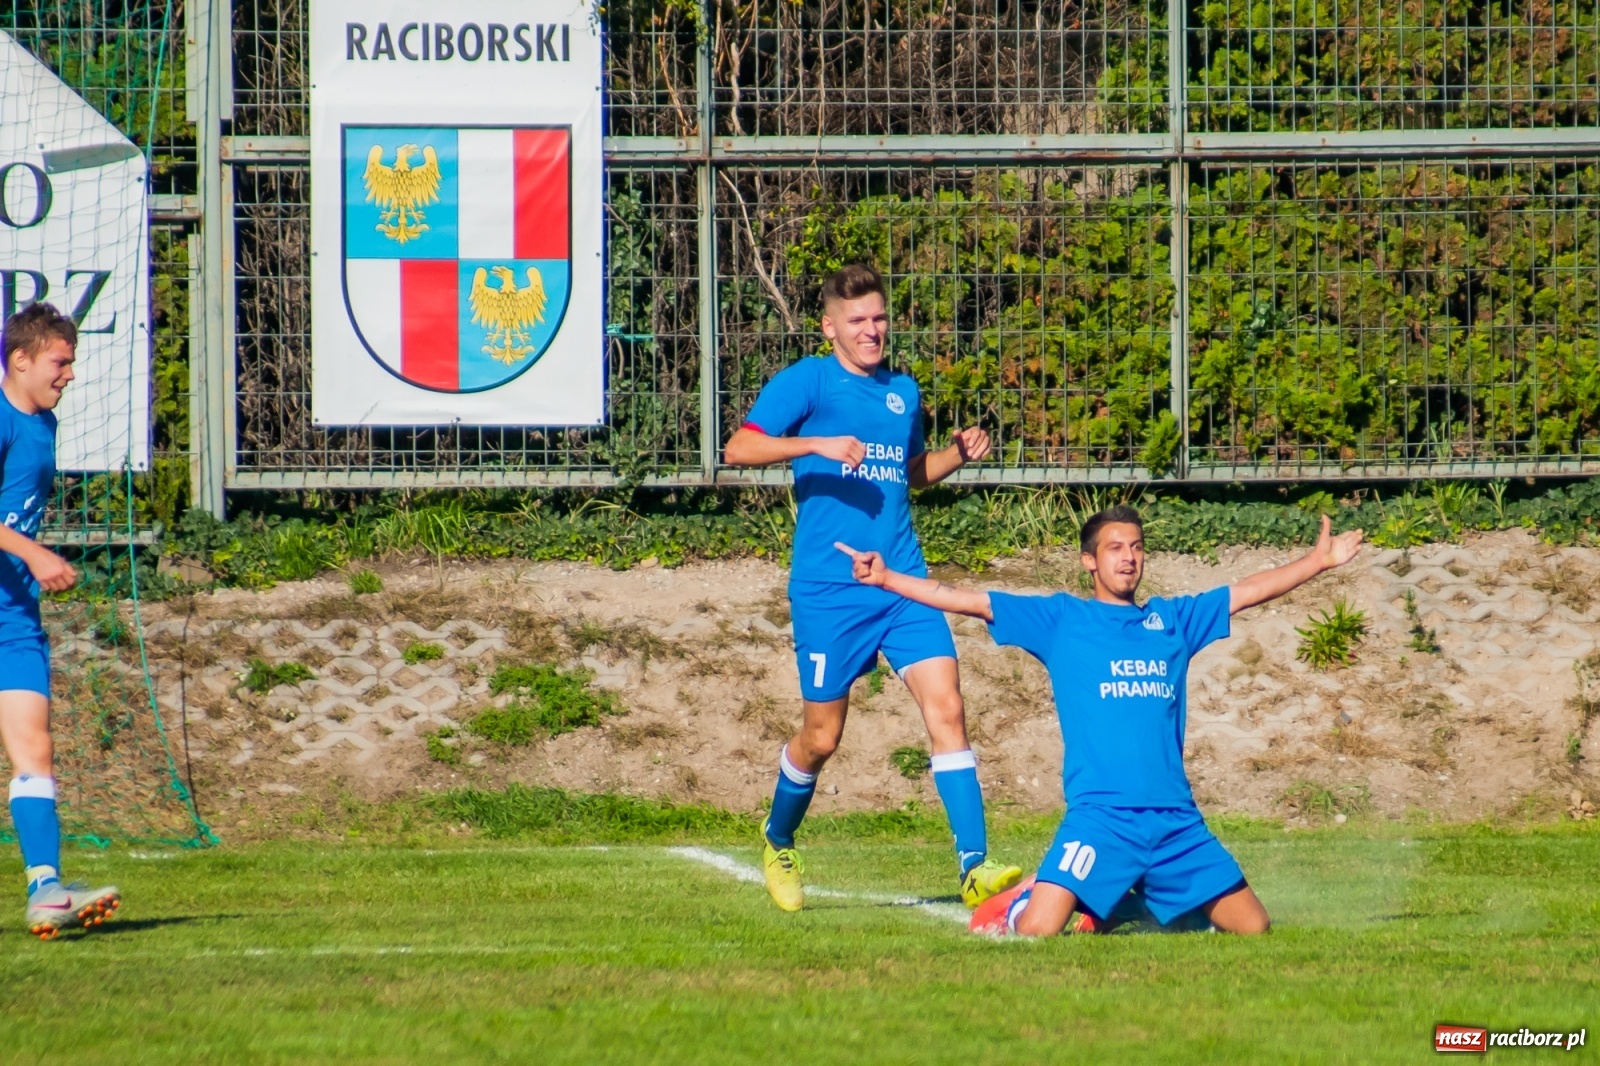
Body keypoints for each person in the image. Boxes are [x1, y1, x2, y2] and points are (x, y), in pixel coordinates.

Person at [838, 504, 1364, 935]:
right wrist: (886, 579)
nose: (1128, 558)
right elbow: (965, 600)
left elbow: (1247, 591)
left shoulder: (1172, 621)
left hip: (1176, 821)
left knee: (1254, 931)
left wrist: (1317, 562)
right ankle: (1029, 898)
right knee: (1037, 932)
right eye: (1115, 548)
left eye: (1136, 548)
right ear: (1090, 561)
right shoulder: (1063, 619)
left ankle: (1120, 902)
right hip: (1101, 817)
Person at [723, 263, 1022, 912]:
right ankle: (779, 838)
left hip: (903, 584)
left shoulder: (903, 392)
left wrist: (958, 456)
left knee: (948, 706)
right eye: (857, 321)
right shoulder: (807, 381)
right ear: (830, 326)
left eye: (880, 318)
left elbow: (911, 473)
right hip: (830, 592)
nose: (872, 330)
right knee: (822, 738)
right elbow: (737, 450)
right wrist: (817, 445)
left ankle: (975, 865)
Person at [0, 303, 120, 939]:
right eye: (60, 360)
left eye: (71, 361)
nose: (70, 373)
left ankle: (46, 889)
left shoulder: (43, 421)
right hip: (16, 592)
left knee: (35, 749)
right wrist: (33, 551)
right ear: (19, 359)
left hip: (12, 617)